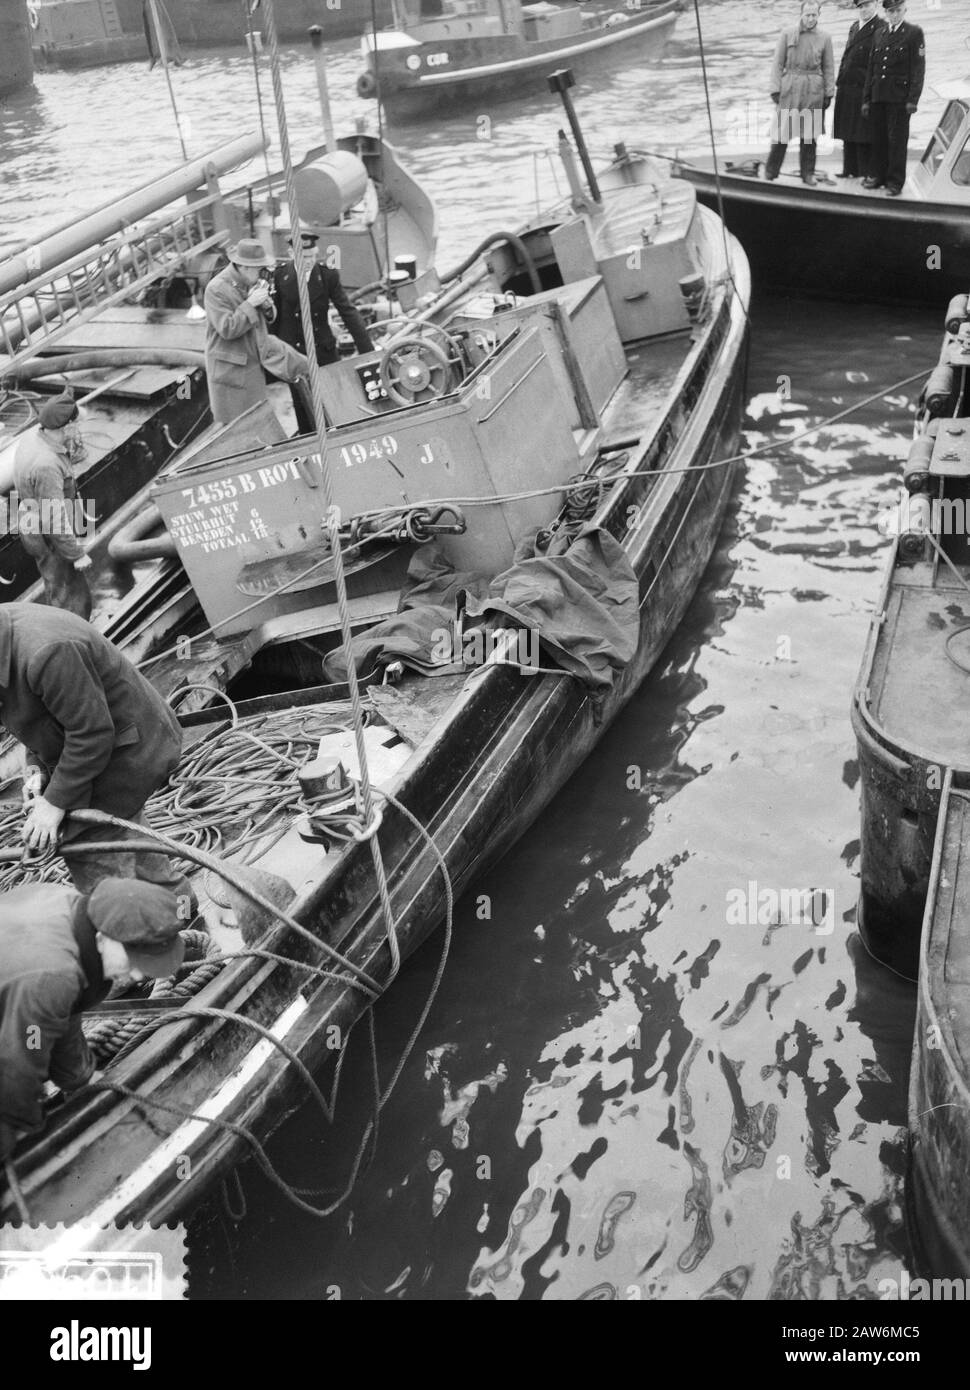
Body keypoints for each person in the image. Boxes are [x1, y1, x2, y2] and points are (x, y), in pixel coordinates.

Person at [0, 602, 190, 905]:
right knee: (128, 849)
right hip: (92, 746)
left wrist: (54, 804)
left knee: (88, 845)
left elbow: (92, 733)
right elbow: (40, 719)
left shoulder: (47, 652)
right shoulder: (8, 638)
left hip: (126, 748)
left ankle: (162, 927)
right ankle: (178, 915)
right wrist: (36, 774)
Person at [0, 879, 183, 1162]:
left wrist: (79, 1078)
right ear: (102, 940)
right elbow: (16, 1071)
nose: (138, 976)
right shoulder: (52, 976)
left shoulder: (71, 911)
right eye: (134, 963)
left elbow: (64, 1009)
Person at [271, 233, 374, 436]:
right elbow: (275, 319)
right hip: (295, 352)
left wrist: (367, 350)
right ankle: (308, 438)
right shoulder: (280, 277)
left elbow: (348, 311)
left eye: (311, 257)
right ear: (291, 253)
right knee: (302, 403)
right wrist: (275, 357)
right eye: (303, 257)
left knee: (333, 398)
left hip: (322, 350)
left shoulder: (327, 276)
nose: (308, 262)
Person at [203, 238, 309, 428]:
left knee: (306, 367)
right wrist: (251, 303)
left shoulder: (248, 282)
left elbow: (269, 318)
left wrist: (266, 305)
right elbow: (227, 328)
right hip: (233, 369)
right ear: (244, 267)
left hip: (255, 355)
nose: (262, 273)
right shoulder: (216, 289)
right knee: (240, 428)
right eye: (259, 269)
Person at [12, 392, 93, 619]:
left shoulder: (34, 437)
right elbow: (54, 519)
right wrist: (76, 555)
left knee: (55, 583)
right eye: (75, 425)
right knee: (70, 594)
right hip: (49, 534)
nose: (78, 429)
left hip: (31, 520)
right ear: (65, 427)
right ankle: (73, 638)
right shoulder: (46, 465)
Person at [765, 0, 836, 187]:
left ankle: (808, 173)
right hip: (790, 88)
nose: (810, 18)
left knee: (809, 136)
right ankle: (770, 172)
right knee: (781, 134)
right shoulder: (787, 34)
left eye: (814, 15)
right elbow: (777, 64)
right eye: (807, 14)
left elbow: (828, 67)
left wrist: (829, 92)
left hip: (813, 90)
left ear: (818, 16)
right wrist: (775, 88)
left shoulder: (825, 38)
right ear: (801, 14)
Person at [861, 0, 925, 196]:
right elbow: (871, 68)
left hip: (899, 97)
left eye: (898, 10)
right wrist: (866, 98)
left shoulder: (914, 33)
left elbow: (918, 69)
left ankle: (895, 182)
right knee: (878, 138)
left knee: (897, 141)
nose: (894, 15)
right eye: (891, 11)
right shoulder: (879, 33)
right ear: (886, 12)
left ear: (904, 10)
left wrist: (913, 99)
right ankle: (878, 176)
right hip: (879, 94)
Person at [833, 0, 886, 179]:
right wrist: (839, 80)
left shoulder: (881, 27)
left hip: (864, 88)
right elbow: (847, 55)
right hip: (847, 87)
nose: (864, 9)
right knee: (847, 131)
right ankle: (849, 169)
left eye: (867, 5)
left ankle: (865, 173)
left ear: (876, 5)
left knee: (864, 134)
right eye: (861, 6)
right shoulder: (854, 26)